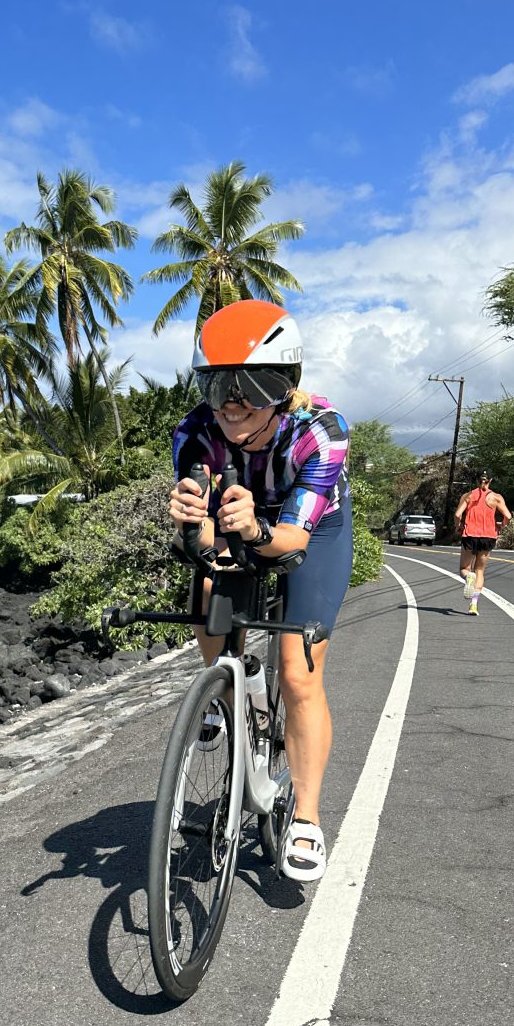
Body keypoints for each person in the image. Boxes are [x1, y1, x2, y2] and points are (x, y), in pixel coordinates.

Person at [169, 298, 352, 883]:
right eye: (218, 384)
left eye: (250, 387)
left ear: (284, 386)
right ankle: (226, 692)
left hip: (311, 529)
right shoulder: (195, 432)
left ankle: (305, 815)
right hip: (240, 515)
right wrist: (192, 523)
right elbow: (202, 535)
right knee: (207, 582)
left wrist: (255, 529)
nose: (231, 404)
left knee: (299, 675)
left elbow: (293, 538)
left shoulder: (320, 432)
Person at [454, 470, 511, 615]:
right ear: (490, 480)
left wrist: (458, 526)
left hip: (470, 535)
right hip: (488, 537)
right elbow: (508, 516)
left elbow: (457, 514)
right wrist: (502, 525)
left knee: (464, 568)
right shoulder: (496, 497)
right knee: (480, 571)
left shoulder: (468, 496)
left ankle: (468, 577)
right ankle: (474, 605)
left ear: (476, 480)